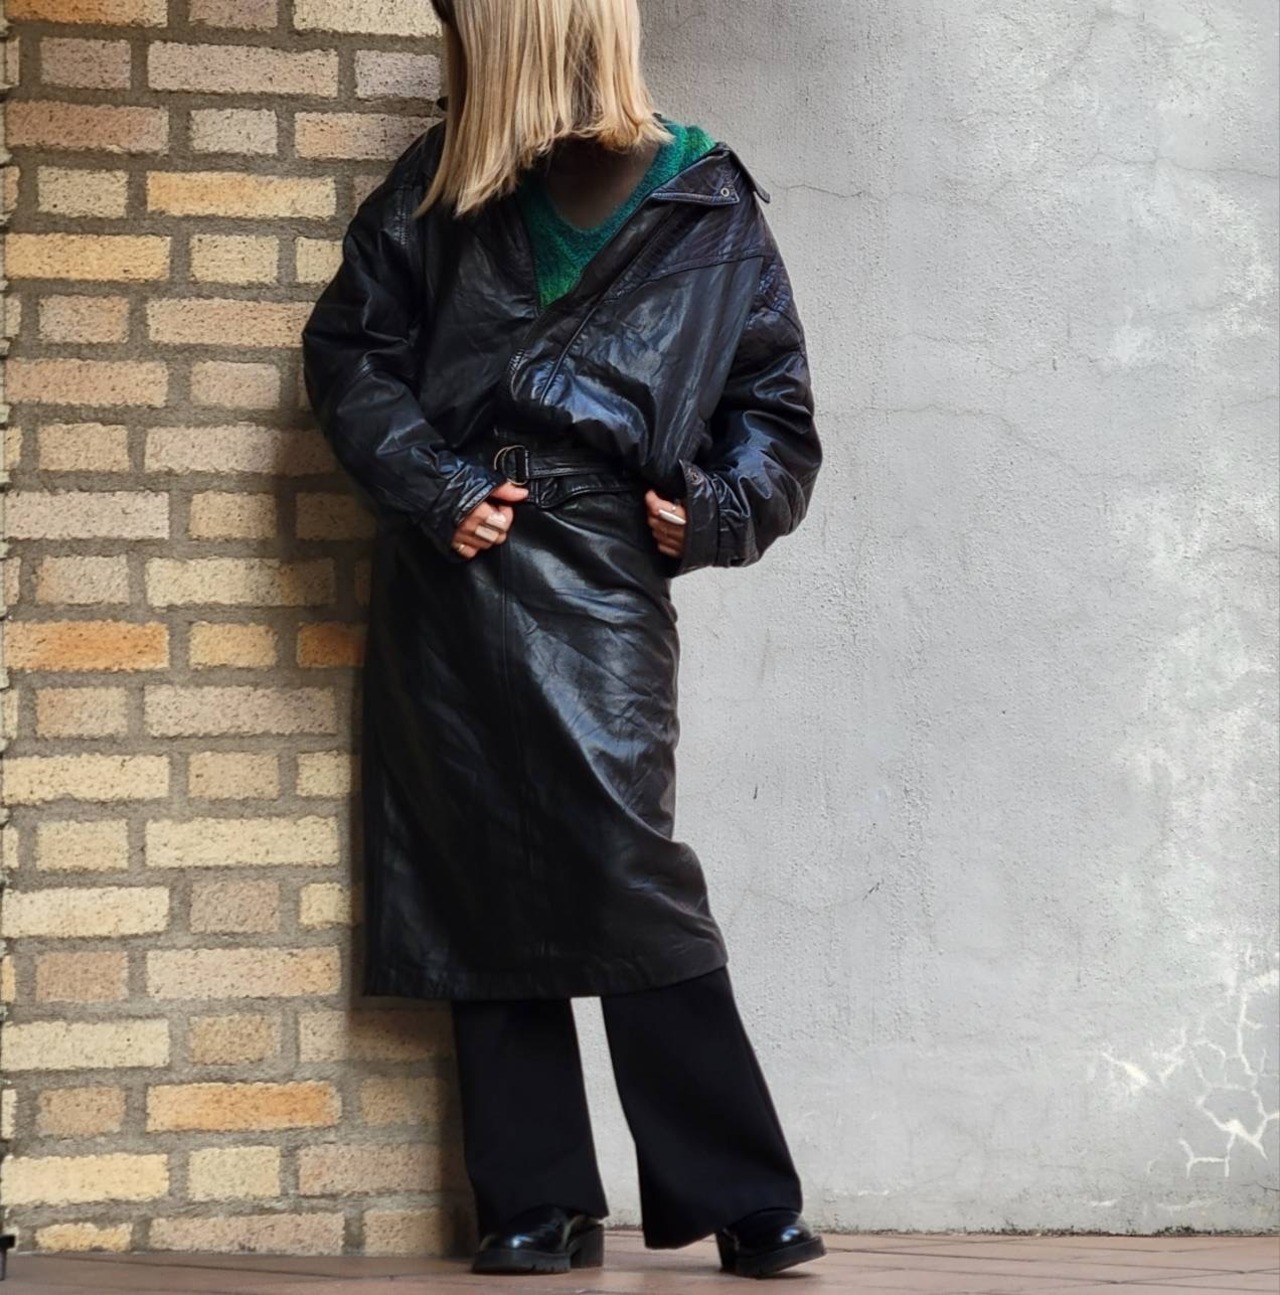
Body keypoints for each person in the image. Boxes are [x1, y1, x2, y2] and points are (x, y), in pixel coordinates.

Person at [299, 0, 824, 1279]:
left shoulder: (702, 194)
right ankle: (533, 1198)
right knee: (479, 863)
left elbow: (774, 413)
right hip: (456, 565)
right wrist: (435, 486)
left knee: (626, 865)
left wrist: (713, 508)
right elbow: (349, 354)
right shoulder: (439, 183)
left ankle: (738, 1188)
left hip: (601, 568)